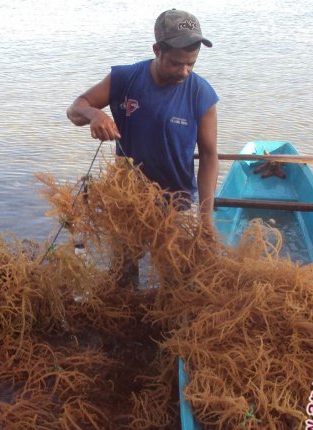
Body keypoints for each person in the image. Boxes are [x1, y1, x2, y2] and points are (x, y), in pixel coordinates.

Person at [67, 9, 219, 286]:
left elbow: (209, 157)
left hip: (177, 204)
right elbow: (75, 109)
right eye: (176, 63)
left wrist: (206, 218)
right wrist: (95, 115)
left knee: (176, 280)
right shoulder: (125, 79)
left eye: (191, 64)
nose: (184, 72)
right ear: (157, 50)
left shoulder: (201, 94)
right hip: (128, 200)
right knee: (123, 275)